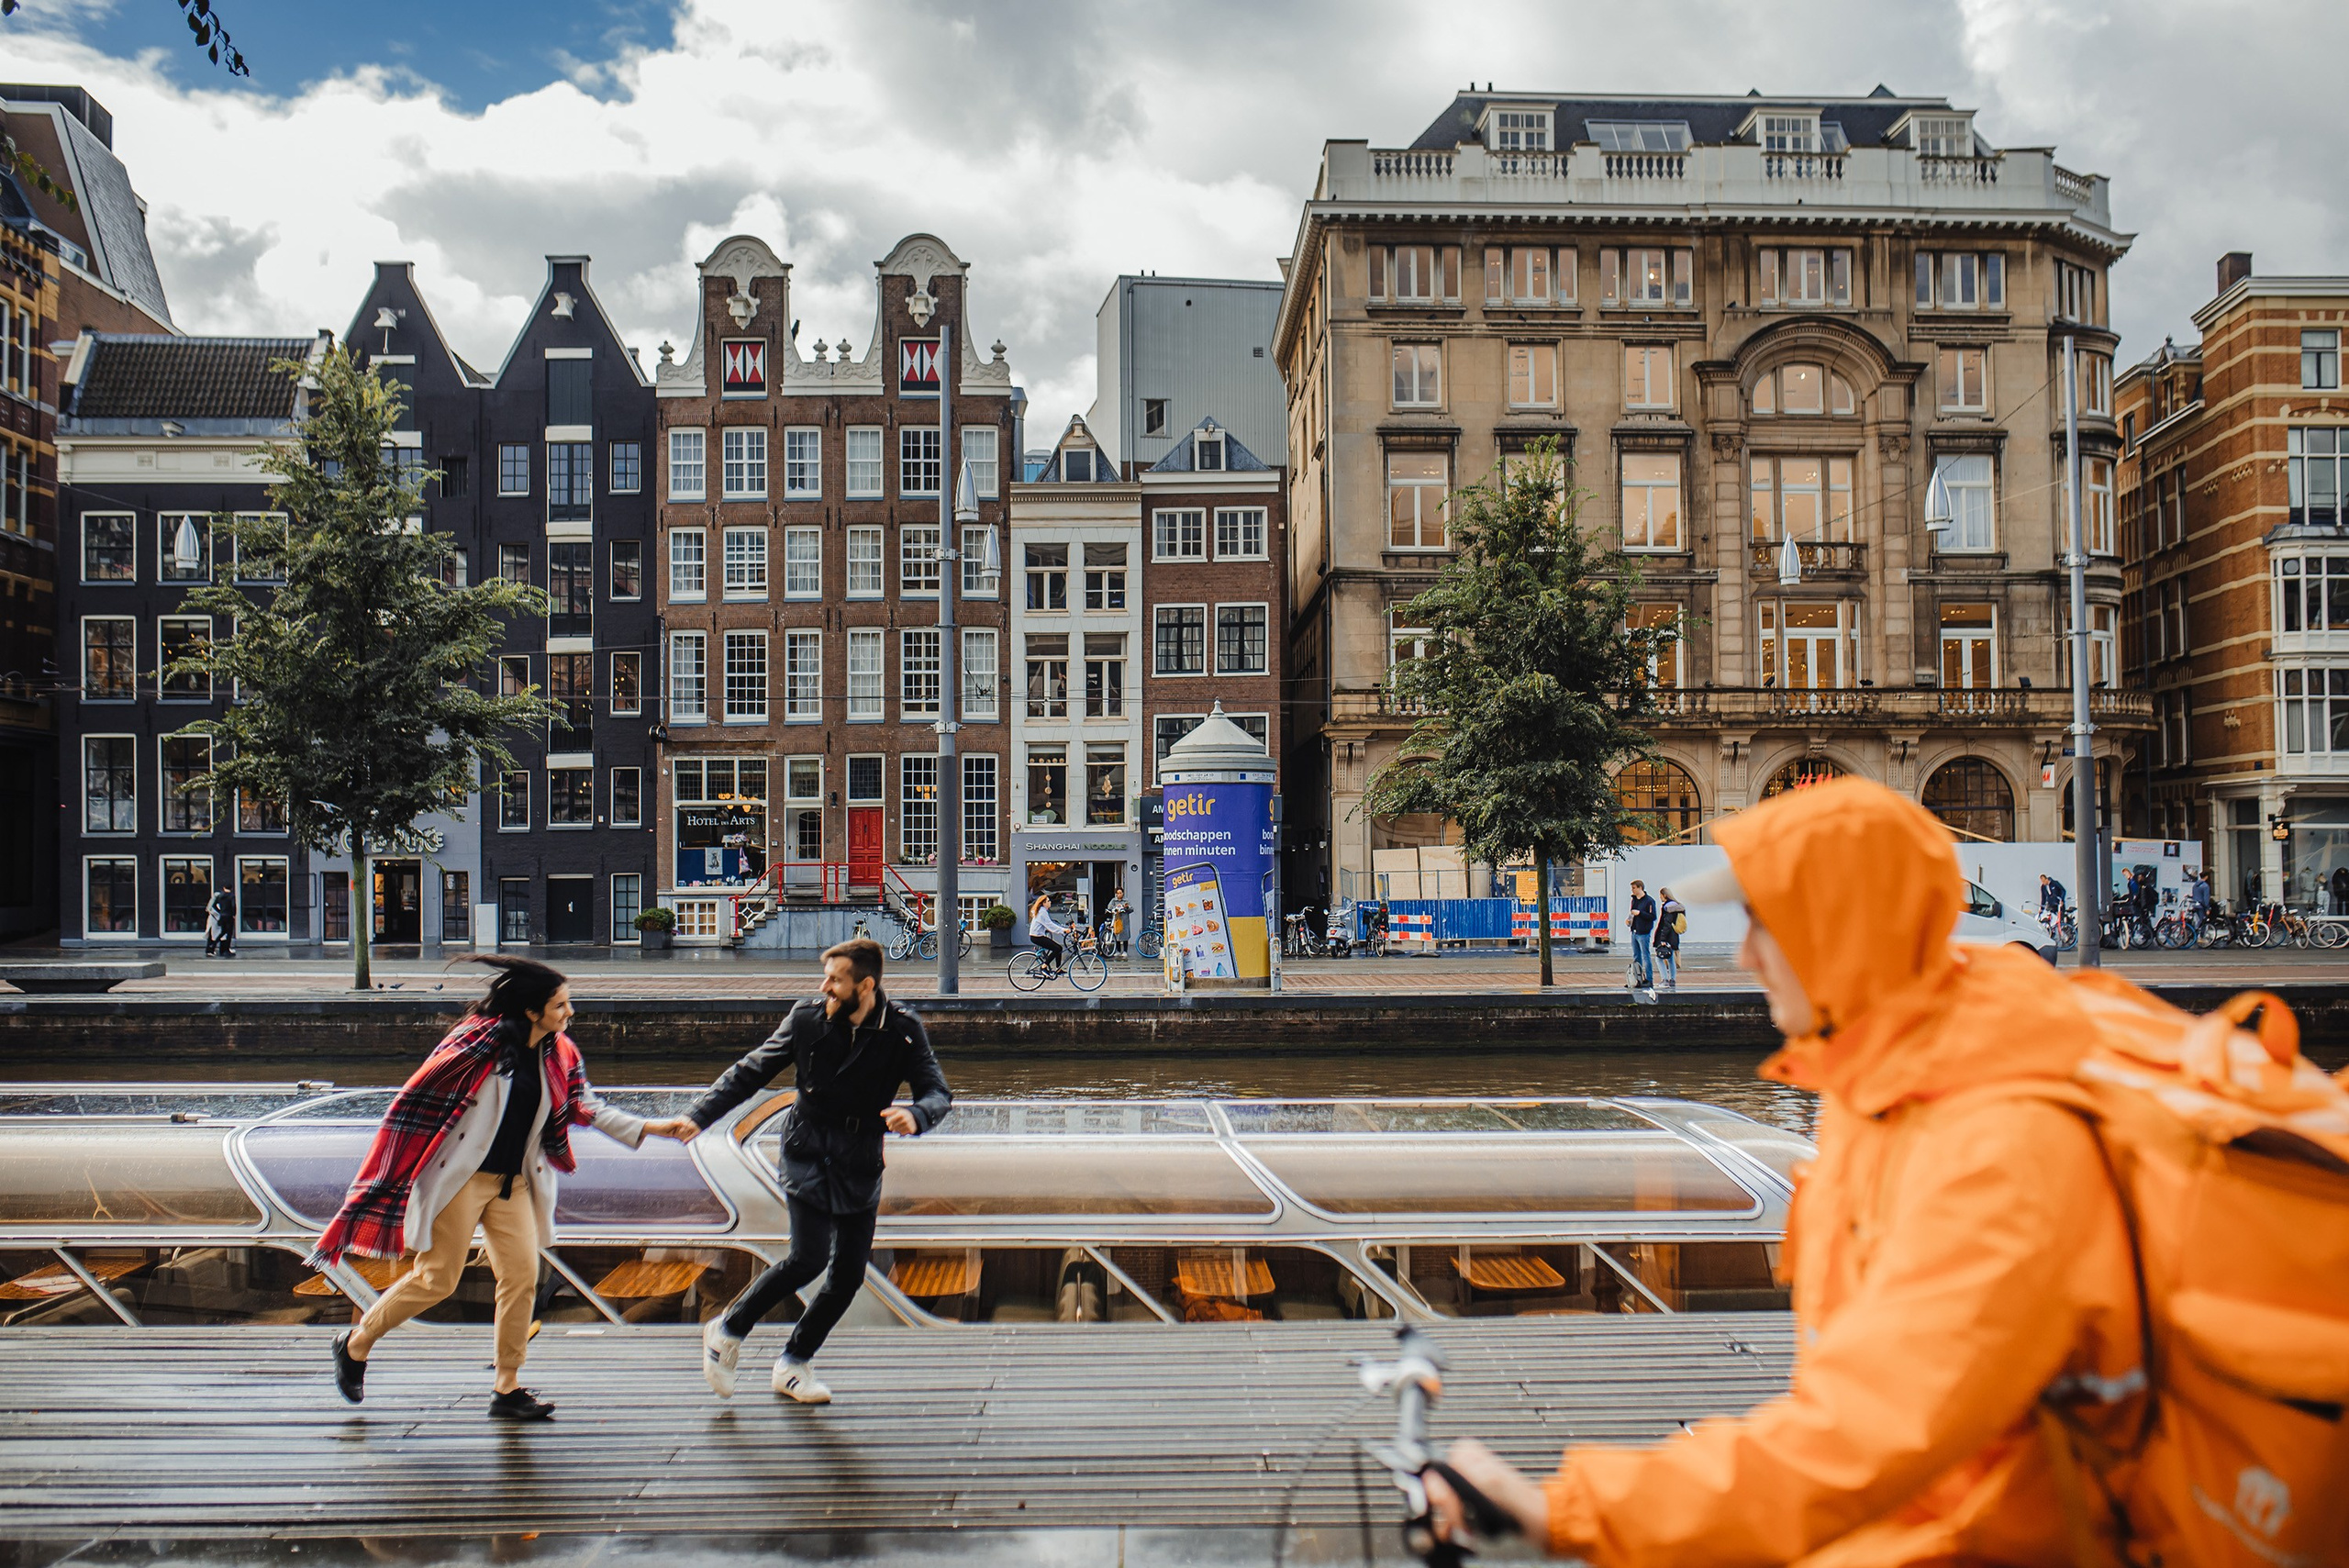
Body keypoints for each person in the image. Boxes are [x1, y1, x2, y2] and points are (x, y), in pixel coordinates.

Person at [1423, 777, 2160, 1565]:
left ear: (1839, 934)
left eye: (1763, 925)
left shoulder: (1995, 1140)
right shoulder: (1880, 1089)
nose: (1744, 954)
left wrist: (1561, 1508)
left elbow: (1865, 1439)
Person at [314, 955, 669, 1420]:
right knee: (437, 1279)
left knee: (522, 1277)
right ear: (531, 1010)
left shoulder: (560, 1053)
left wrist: (650, 1129)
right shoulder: (475, 1047)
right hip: (462, 1181)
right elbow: (411, 1106)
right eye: (560, 1005)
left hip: (514, 1182)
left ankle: (507, 1387)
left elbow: (585, 1106)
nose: (570, 1013)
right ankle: (356, 1344)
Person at [646, 937, 950, 1405]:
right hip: (807, 1149)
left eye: (835, 980)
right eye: (825, 977)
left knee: (848, 1274)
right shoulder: (807, 1019)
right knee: (807, 1257)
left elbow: (937, 1092)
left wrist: (917, 1114)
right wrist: (698, 1116)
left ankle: (793, 1363)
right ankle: (727, 1331)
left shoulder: (903, 1030)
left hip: (860, 1157)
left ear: (865, 986)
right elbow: (751, 1071)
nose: (824, 986)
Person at [1625, 880, 1656, 989]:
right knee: (1636, 956)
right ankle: (1637, 979)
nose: (1632, 890)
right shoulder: (1634, 901)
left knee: (1645, 955)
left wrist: (1640, 913)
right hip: (1634, 930)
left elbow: (1653, 916)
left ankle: (1649, 979)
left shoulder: (1649, 901)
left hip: (1644, 932)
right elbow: (1632, 913)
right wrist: (1629, 921)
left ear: (1640, 888)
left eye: (1634, 888)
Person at [1652, 886, 1683, 991]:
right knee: (1670, 959)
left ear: (1664, 895)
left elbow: (1666, 924)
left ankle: (1664, 980)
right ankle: (1672, 980)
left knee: (1659, 958)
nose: (1660, 897)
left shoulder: (1668, 908)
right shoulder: (1678, 907)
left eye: (1660, 895)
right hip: (1674, 937)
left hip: (1667, 937)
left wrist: (1662, 939)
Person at [1028, 893, 1069, 972]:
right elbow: (1050, 925)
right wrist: (1063, 930)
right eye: (1048, 901)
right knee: (1057, 949)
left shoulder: (1042, 911)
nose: (1050, 902)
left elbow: (1047, 925)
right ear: (1044, 903)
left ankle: (1058, 969)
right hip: (1037, 937)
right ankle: (1044, 967)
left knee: (1058, 948)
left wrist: (1059, 930)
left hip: (1037, 936)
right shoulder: (1042, 912)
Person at [204, 883, 236, 958]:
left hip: (220, 917)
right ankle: (222, 949)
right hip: (225, 917)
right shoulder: (231, 896)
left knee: (221, 933)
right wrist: (233, 914)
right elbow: (233, 906)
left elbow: (212, 907)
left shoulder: (220, 897)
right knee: (226, 933)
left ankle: (213, 947)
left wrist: (220, 912)